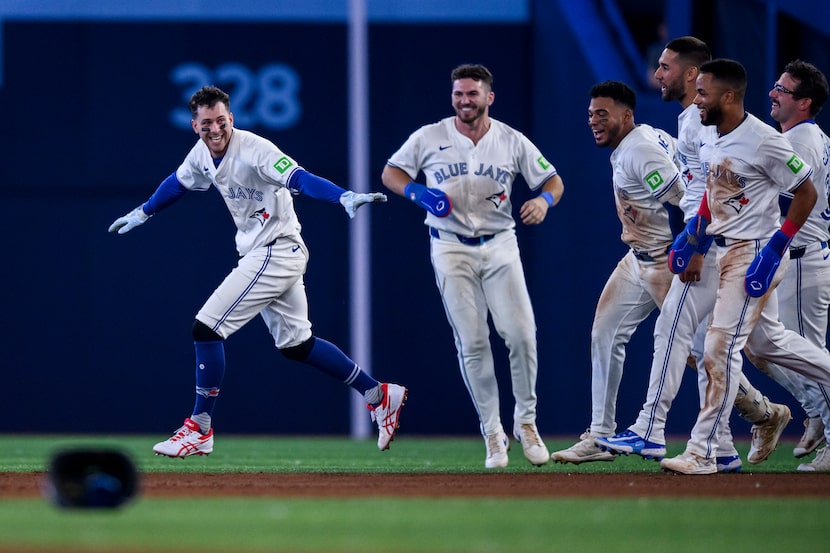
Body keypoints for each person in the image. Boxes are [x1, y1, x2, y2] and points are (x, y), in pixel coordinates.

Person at [109, 85, 407, 457]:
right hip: (267, 251)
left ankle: (199, 427)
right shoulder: (202, 153)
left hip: (276, 250)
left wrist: (343, 195)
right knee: (298, 345)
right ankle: (378, 394)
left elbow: (299, 178)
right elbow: (178, 181)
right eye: (206, 124)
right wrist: (143, 212)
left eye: (221, 121)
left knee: (206, 327)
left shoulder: (255, 149)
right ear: (194, 126)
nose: (215, 129)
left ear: (231, 118)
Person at [595, 37, 795, 473]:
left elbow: (730, 189)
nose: (657, 75)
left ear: (692, 75)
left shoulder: (711, 123)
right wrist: (694, 237)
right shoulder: (692, 121)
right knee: (706, 342)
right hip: (711, 241)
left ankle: (701, 433)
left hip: (742, 250)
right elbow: (705, 191)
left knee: (749, 346)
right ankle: (716, 444)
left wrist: (698, 241)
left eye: (665, 67)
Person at [381, 64, 563, 469]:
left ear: (488, 98)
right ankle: (492, 433)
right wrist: (418, 192)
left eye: (472, 94)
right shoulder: (431, 136)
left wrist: (543, 202)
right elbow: (391, 172)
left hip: (499, 245)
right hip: (450, 248)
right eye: (459, 94)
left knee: (521, 335)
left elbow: (553, 181)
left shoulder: (511, 140)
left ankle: (527, 424)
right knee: (473, 341)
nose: (465, 101)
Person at [661, 59, 830, 474]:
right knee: (766, 344)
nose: (697, 100)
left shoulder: (765, 139)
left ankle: (703, 452)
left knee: (719, 347)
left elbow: (806, 193)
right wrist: (694, 233)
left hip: (755, 251)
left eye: (703, 93)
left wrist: (775, 248)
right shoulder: (713, 135)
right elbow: (714, 188)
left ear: (729, 96)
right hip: (726, 248)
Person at [550, 80, 684, 465]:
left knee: (695, 350)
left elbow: (684, 198)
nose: (594, 121)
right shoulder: (644, 139)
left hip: (664, 261)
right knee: (605, 333)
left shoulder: (640, 150)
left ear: (627, 115)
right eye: (591, 114)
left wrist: (689, 250)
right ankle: (600, 433)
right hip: (637, 258)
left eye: (602, 114)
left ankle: (759, 410)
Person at [760, 60, 830, 471]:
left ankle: (826, 425)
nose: (774, 93)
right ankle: (817, 411)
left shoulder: (800, 140)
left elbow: (790, 201)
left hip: (801, 260)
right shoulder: (811, 136)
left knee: (806, 357)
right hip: (805, 256)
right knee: (765, 348)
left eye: (783, 90)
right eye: (776, 86)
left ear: (804, 103)